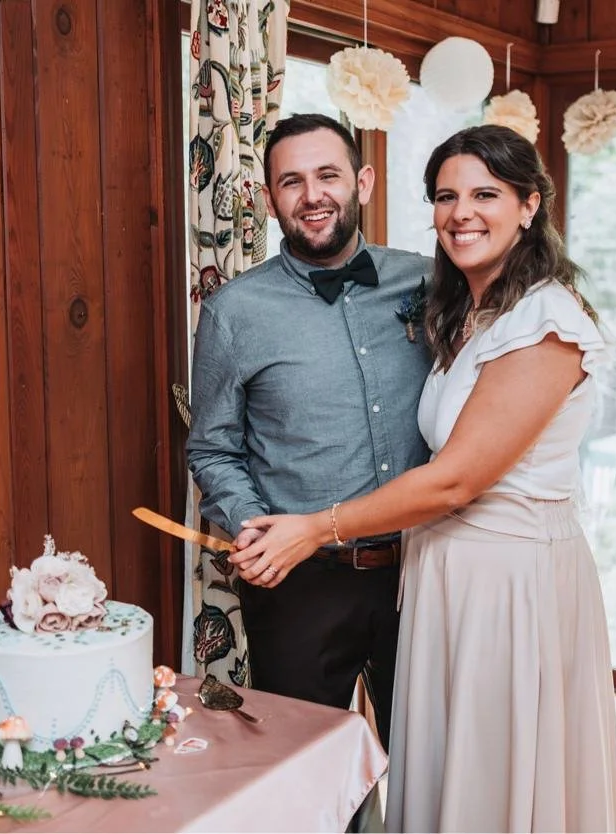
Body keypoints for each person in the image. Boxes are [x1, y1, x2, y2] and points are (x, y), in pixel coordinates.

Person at [229, 124, 616, 832]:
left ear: (530, 205)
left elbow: (454, 481)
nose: (461, 213)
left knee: (498, 776)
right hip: (429, 577)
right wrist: (258, 527)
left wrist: (316, 526)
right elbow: (217, 445)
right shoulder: (463, 309)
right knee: (428, 775)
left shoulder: (545, 321)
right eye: (446, 196)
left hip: (508, 587)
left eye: (485, 194)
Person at [186, 113, 431, 738]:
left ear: (364, 182)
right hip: (302, 585)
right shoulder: (233, 312)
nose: (312, 195)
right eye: (291, 182)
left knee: (433, 760)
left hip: (429, 571)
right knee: (302, 767)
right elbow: (212, 449)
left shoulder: (431, 283)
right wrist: (256, 530)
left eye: (329, 175)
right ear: (270, 201)